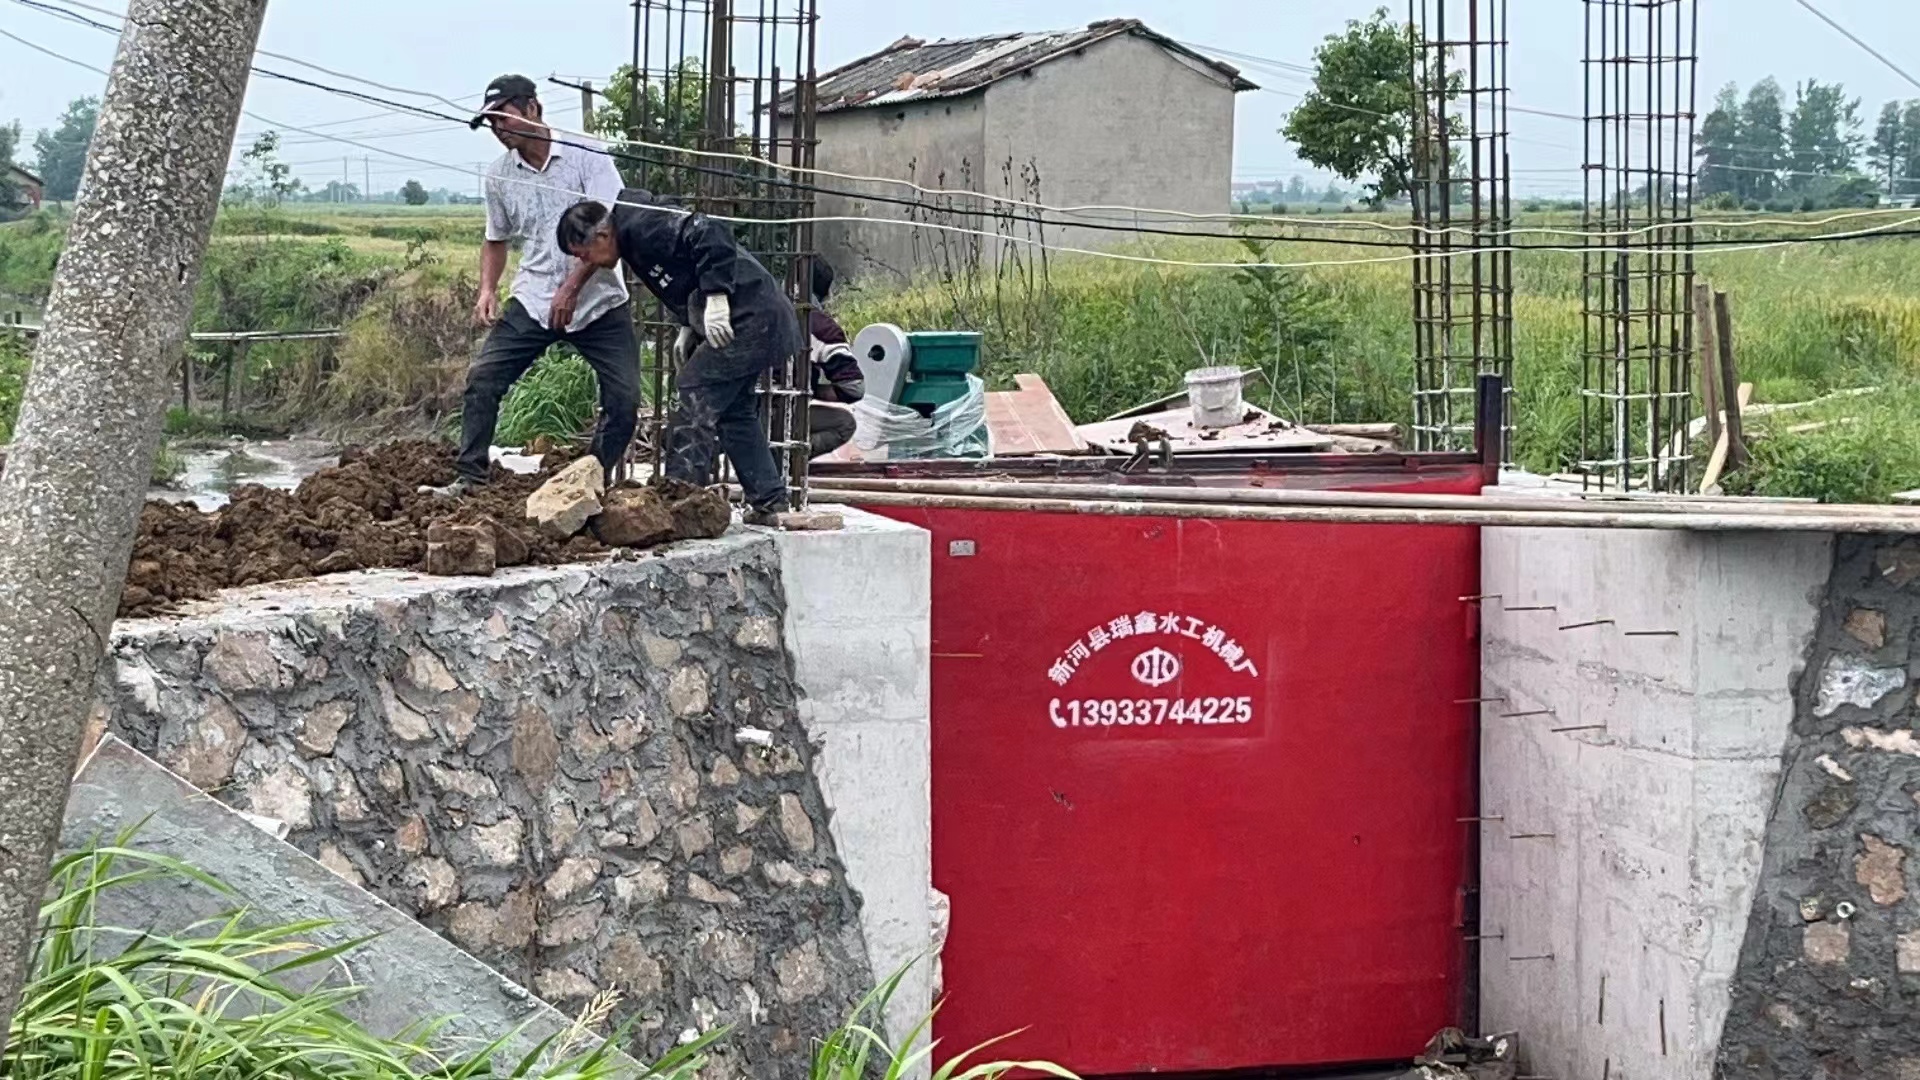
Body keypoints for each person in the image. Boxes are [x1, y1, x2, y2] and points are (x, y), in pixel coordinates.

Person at [424, 74, 640, 498]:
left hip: (598, 301)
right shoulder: (499, 176)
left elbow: (611, 229)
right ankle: (470, 476)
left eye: (503, 117)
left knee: (625, 398)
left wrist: (574, 286)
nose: (498, 130)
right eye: (491, 124)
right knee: (484, 378)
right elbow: (495, 239)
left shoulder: (587, 156)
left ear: (533, 109)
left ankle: (588, 482)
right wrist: (488, 289)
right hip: (535, 298)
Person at [554, 191, 800, 521]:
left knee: (693, 390)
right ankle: (770, 501)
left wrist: (716, 296)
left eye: (584, 255)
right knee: (735, 411)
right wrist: (689, 322)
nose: (586, 264)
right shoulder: (629, 237)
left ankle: (683, 505)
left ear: (601, 235)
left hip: (751, 315)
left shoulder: (642, 223)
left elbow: (708, 230)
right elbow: (685, 271)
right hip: (754, 314)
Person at [806, 257, 864, 459]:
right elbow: (854, 388)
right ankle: (783, 458)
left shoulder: (753, 310)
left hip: (730, 409)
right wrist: (810, 391)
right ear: (824, 294)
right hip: (782, 413)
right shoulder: (820, 327)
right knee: (844, 424)